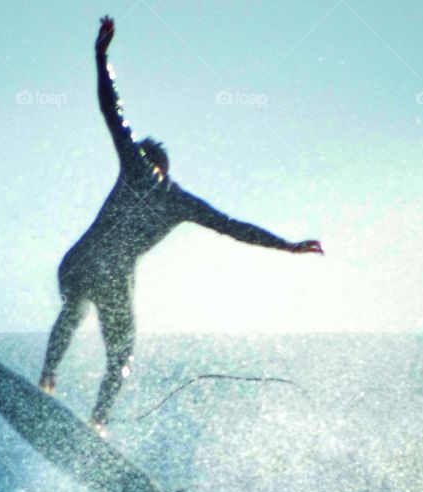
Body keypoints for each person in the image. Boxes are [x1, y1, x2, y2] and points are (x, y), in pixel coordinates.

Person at [38, 16, 323, 435]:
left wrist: (101, 57)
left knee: (100, 331)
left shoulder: (160, 187)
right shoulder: (174, 198)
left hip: (91, 270)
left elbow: (232, 225)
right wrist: (289, 247)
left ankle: (67, 394)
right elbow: (233, 226)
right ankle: (79, 404)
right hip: (88, 267)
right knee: (102, 331)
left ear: (156, 166)